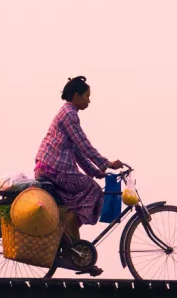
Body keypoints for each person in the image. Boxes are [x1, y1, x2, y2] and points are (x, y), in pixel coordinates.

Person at [34, 76, 123, 260]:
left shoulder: (68, 113)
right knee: (92, 188)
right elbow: (84, 145)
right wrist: (107, 163)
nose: (89, 100)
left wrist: (96, 171)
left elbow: (78, 152)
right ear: (76, 96)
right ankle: (71, 241)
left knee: (78, 199)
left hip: (51, 168)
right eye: (87, 96)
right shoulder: (69, 114)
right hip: (54, 169)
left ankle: (72, 245)